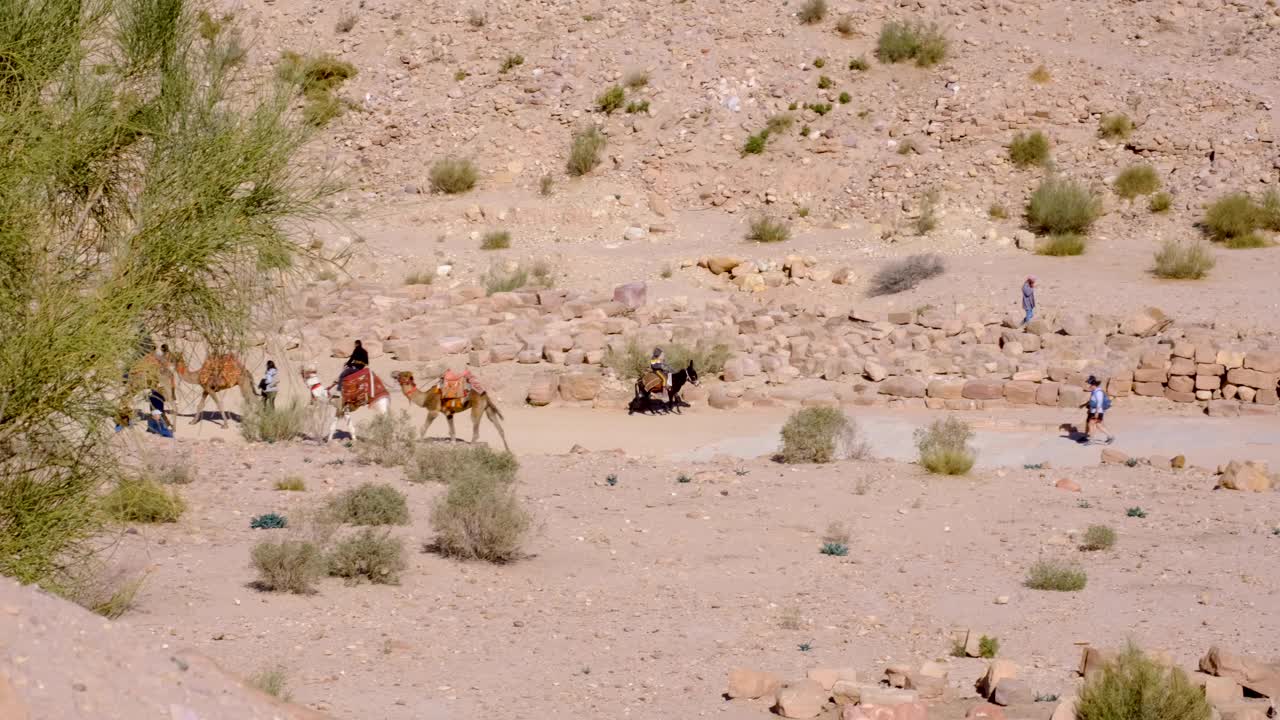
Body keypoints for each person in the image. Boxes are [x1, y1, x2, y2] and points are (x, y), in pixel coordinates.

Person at [1080, 375, 1114, 445]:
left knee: (1091, 424)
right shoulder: (1094, 391)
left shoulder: (1098, 392)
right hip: (1093, 411)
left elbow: (1099, 402)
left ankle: (1092, 440)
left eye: (1090, 385)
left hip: (1097, 411)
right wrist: (1084, 405)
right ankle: (1110, 436)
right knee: (1098, 425)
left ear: (1093, 385)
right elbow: (1092, 400)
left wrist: (1097, 412)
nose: (1089, 386)